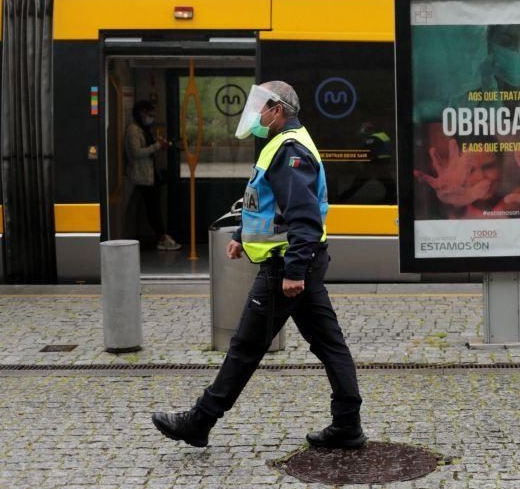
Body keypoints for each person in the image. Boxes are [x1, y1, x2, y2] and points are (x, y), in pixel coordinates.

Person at [152, 81, 364, 450]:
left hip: (287, 267)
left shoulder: (289, 150)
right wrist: (241, 233)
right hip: (300, 261)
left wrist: (295, 271)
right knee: (330, 345)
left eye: (261, 109)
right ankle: (347, 424)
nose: (257, 116)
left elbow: (304, 217)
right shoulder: (283, 146)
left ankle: (199, 421)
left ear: (277, 110)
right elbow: (266, 204)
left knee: (245, 347)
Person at [414, 138, 520, 219]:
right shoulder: (453, 211)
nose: (481, 177)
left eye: (488, 166)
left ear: (501, 165)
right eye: (471, 170)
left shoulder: (514, 203)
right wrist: (447, 203)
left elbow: (518, 205)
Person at [125, 100, 181, 251]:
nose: (151, 117)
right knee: (153, 208)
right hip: (141, 176)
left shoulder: (144, 129)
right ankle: (162, 237)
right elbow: (136, 152)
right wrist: (156, 146)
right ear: (140, 113)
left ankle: (162, 236)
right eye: (148, 114)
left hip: (150, 175)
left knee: (154, 207)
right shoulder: (133, 130)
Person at [335, 121, 396, 203]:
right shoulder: (383, 136)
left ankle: (341, 199)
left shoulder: (373, 139)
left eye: (364, 131)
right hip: (382, 164)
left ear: (369, 130)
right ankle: (389, 200)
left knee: (357, 184)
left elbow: (364, 151)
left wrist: (349, 161)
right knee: (390, 185)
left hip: (373, 165)